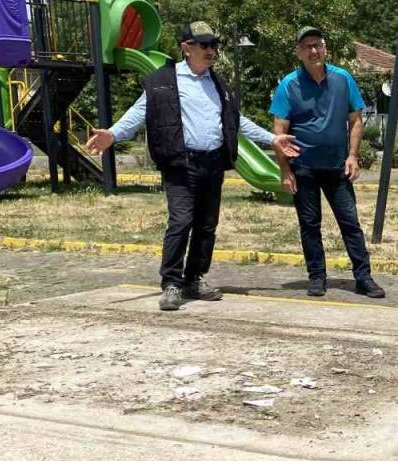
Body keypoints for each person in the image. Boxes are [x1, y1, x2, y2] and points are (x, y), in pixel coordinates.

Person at [86, 21, 297, 311]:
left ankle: (194, 278)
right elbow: (139, 112)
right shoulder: (164, 80)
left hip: (212, 163)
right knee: (181, 222)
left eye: (214, 45)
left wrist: (272, 139)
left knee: (207, 226)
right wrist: (113, 134)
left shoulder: (217, 83)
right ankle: (171, 283)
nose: (212, 50)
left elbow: (237, 121)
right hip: (180, 164)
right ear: (187, 48)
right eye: (204, 45)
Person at [269, 26, 385, 299]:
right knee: (310, 224)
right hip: (304, 167)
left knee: (350, 222)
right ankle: (317, 277)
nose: (313, 50)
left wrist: (353, 155)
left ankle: (363, 277)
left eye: (317, 45)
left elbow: (355, 120)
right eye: (307, 46)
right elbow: (279, 131)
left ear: (325, 49)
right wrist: (285, 171)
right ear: (299, 52)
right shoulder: (289, 85)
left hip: (337, 166)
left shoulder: (343, 79)